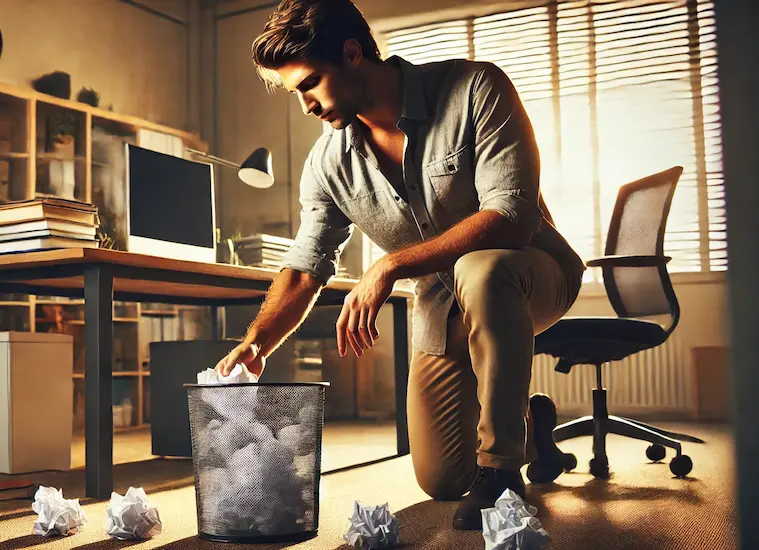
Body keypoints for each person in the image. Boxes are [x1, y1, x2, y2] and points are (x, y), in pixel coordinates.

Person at [214, 0, 585, 530]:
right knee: (441, 479)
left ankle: (504, 469)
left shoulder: (476, 88)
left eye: (310, 84)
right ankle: (531, 425)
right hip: (442, 306)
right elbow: (304, 265)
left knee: (482, 270)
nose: (306, 106)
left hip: (530, 272)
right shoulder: (327, 163)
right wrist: (256, 343)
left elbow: (510, 216)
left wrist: (390, 266)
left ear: (352, 53)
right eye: (297, 92)